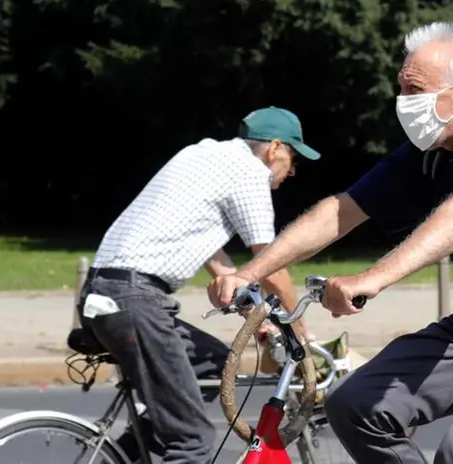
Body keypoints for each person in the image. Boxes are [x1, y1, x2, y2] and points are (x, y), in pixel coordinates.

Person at [207, 21, 453, 464]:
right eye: (400, 89)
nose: (402, 102)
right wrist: (250, 272)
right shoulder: (430, 155)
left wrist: (371, 280)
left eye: (414, 89)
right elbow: (340, 211)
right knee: (355, 406)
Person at [77, 106, 321, 463]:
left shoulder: (202, 154)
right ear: (275, 148)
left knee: (215, 364)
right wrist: (299, 333)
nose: (293, 170)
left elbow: (218, 263)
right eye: (294, 158)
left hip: (108, 292)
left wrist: (260, 321)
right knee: (192, 441)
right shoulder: (249, 172)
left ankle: (128, 452)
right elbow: (270, 264)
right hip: (136, 301)